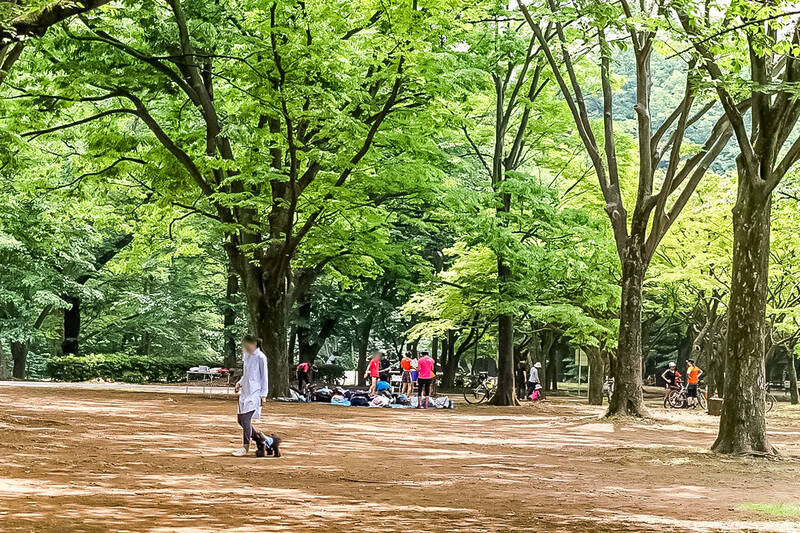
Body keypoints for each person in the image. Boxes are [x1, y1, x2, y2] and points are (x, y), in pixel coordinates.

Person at [233, 335, 280, 457]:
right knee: (241, 420)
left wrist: (264, 394)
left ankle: (245, 447)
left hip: (255, 392)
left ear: (255, 345)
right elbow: (246, 374)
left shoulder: (261, 357)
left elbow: (264, 377)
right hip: (245, 392)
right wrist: (239, 383)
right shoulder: (247, 356)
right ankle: (266, 440)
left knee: (246, 420)